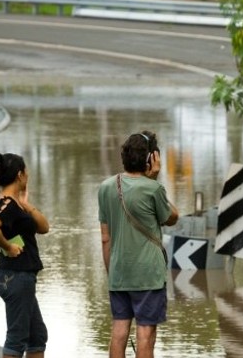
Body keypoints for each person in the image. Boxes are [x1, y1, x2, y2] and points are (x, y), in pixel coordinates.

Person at [98, 131, 179, 358]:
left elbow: (105, 238)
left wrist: (112, 273)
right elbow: (173, 217)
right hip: (148, 275)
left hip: (118, 272)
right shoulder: (153, 189)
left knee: (119, 331)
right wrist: (153, 180)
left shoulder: (105, 187)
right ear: (152, 159)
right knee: (145, 334)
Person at [0, 153, 50, 358]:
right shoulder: (7, 205)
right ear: (20, 175)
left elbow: (44, 227)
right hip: (15, 277)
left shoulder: (15, 204)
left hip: (21, 277)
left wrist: (26, 204)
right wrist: (9, 247)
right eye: (26, 171)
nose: (28, 175)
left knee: (37, 336)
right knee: (17, 338)